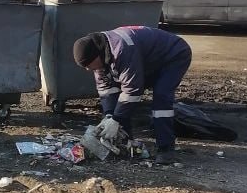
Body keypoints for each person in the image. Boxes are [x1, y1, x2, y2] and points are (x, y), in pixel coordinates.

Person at [73, 26, 192, 164]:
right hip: (148, 59)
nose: (88, 69)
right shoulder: (99, 53)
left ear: (97, 55)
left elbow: (132, 90)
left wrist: (116, 119)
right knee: (119, 102)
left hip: (173, 55)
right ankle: (125, 143)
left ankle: (166, 149)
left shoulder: (122, 50)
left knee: (161, 98)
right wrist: (109, 116)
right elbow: (106, 89)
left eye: (88, 64)